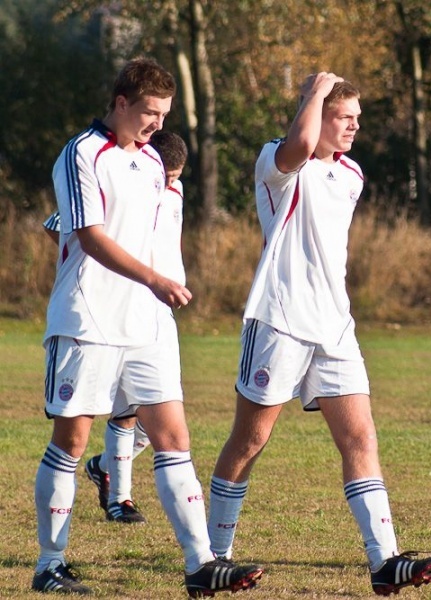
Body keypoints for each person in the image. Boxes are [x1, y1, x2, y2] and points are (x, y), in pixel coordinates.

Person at [205, 72, 431, 596]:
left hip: (335, 327)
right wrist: (314, 91)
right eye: (345, 117)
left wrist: (328, 101)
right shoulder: (279, 161)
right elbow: (302, 144)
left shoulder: (351, 174)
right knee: (251, 439)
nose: (355, 126)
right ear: (317, 114)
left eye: (358, 117)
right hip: (279, 320)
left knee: (360, 438)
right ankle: (212, 557)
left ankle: (385, 562)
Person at [34, 57, 262, 597]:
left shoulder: (155, 164)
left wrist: (159, 289)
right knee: (72, 440)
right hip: (88, 320)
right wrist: (155, 278)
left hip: (148, 325)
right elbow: (88, 235)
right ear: (120, 104)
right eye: (149, 113)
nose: (157, 123)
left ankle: (200, 564)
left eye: (164, 114)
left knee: (173, 438)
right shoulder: (82, 153)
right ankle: (50, 565)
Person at [42, 131, 189, 525]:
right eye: (168, 174)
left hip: (156, 311)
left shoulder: (172, 190)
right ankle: (118, 498)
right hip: (107, 312)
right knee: (120, 415)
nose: (170, 183)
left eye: (176, 176)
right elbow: (59, 224)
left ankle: (105, 467)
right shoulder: (109, 173)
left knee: (163, 423)